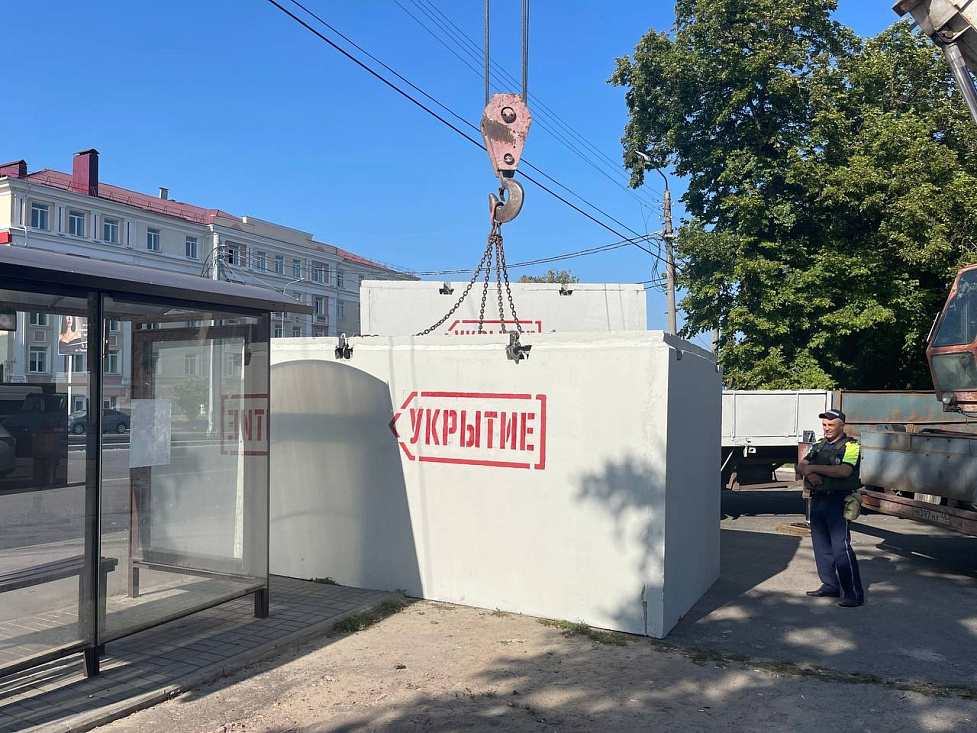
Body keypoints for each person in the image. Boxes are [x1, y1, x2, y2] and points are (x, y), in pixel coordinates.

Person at [797, 408, 865, 608]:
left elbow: (844, 471)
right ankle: (830, 585)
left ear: (842, 426)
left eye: (831, 425)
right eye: (824, 425)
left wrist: (813, 468)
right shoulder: (818, 445)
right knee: (821, 547)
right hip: (818, 499)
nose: (826, 428)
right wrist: (808, 473)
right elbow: (801, 466)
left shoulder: (851, 447)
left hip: (838, 501)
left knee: (840, 548)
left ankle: (853, 594)